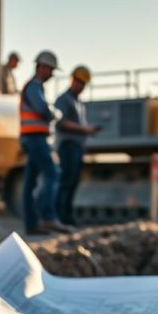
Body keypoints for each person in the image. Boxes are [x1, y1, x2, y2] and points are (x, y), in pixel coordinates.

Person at [20, 50, 72, 235]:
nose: (51, 74)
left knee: (30, 182)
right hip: (35, 138)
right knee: (53, 172)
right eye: (50, 70)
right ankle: (48, 217)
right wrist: (56, 114)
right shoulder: (34, 87)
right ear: (41, 67)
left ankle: (32, 224)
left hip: (31, 137)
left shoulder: (34, 87)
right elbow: (43, 109)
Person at [54, 66, 99, 226]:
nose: (81, 86)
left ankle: (67, 216)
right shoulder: (63, 99)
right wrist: (84, 129)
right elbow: (60, 122)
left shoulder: (78, 102)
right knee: (66, 181)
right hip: (67, 145)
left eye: (84, 84)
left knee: (72, 182)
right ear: (72, 80)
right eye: (79, 82)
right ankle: (59, 216)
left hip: (77, 147)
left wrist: (87, 130)